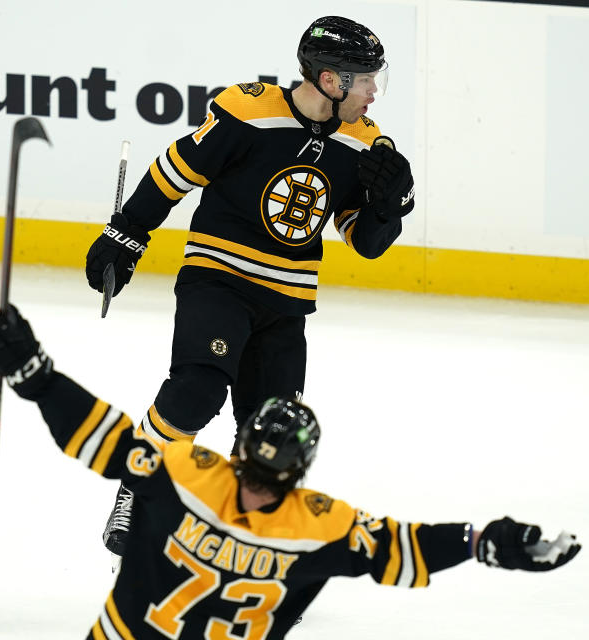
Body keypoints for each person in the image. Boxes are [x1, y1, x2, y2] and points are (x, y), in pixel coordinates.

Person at [0, 306, 582, 640]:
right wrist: (483, 542)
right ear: (302, 472)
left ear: (239, 448)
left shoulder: (185, 473)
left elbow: (103, 437)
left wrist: (34, 373)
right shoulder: (318, 527)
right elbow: (402, 547)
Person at [84, 15, 418, 560]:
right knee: (198, 389)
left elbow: (365, 240)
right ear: (330, 81)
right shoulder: (248, 110)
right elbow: (176, 170)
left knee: (273, 435)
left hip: (286, 304)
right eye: (364, 81)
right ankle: (138, 489)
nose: (373, 92)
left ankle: (242, 536)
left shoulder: (367, 143)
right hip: (218, 278)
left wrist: (389, 207)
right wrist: (127, 232)